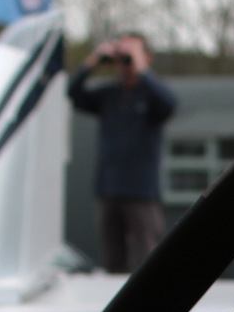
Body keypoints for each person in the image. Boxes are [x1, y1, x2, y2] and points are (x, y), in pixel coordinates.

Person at [67, 33, 177, 273]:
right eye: (121, 57)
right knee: (114, 262)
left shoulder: (152, 94)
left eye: (130, 56)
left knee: (149, 258)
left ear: (147, 57)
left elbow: (169, 105)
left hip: (142, 193)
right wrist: (94, 60)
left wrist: (140, 67)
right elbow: (73, 94)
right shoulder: (109, 95)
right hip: (109, 191)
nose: (124, 64)